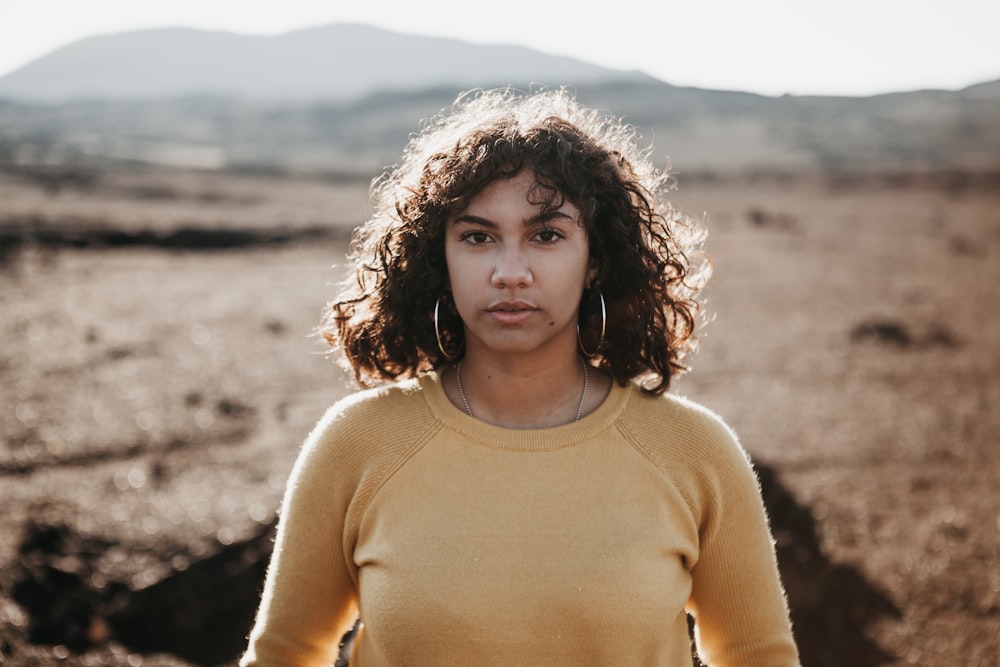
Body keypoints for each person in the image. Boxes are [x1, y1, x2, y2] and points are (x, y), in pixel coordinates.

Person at [240, 88, 800, 666]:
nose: (510, 273)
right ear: (440, 258)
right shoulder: (356, 443)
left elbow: (757, 655)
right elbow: (285, 653)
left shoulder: (693, 451)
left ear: (596, 262)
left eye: (547, 235)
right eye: (478, 237)